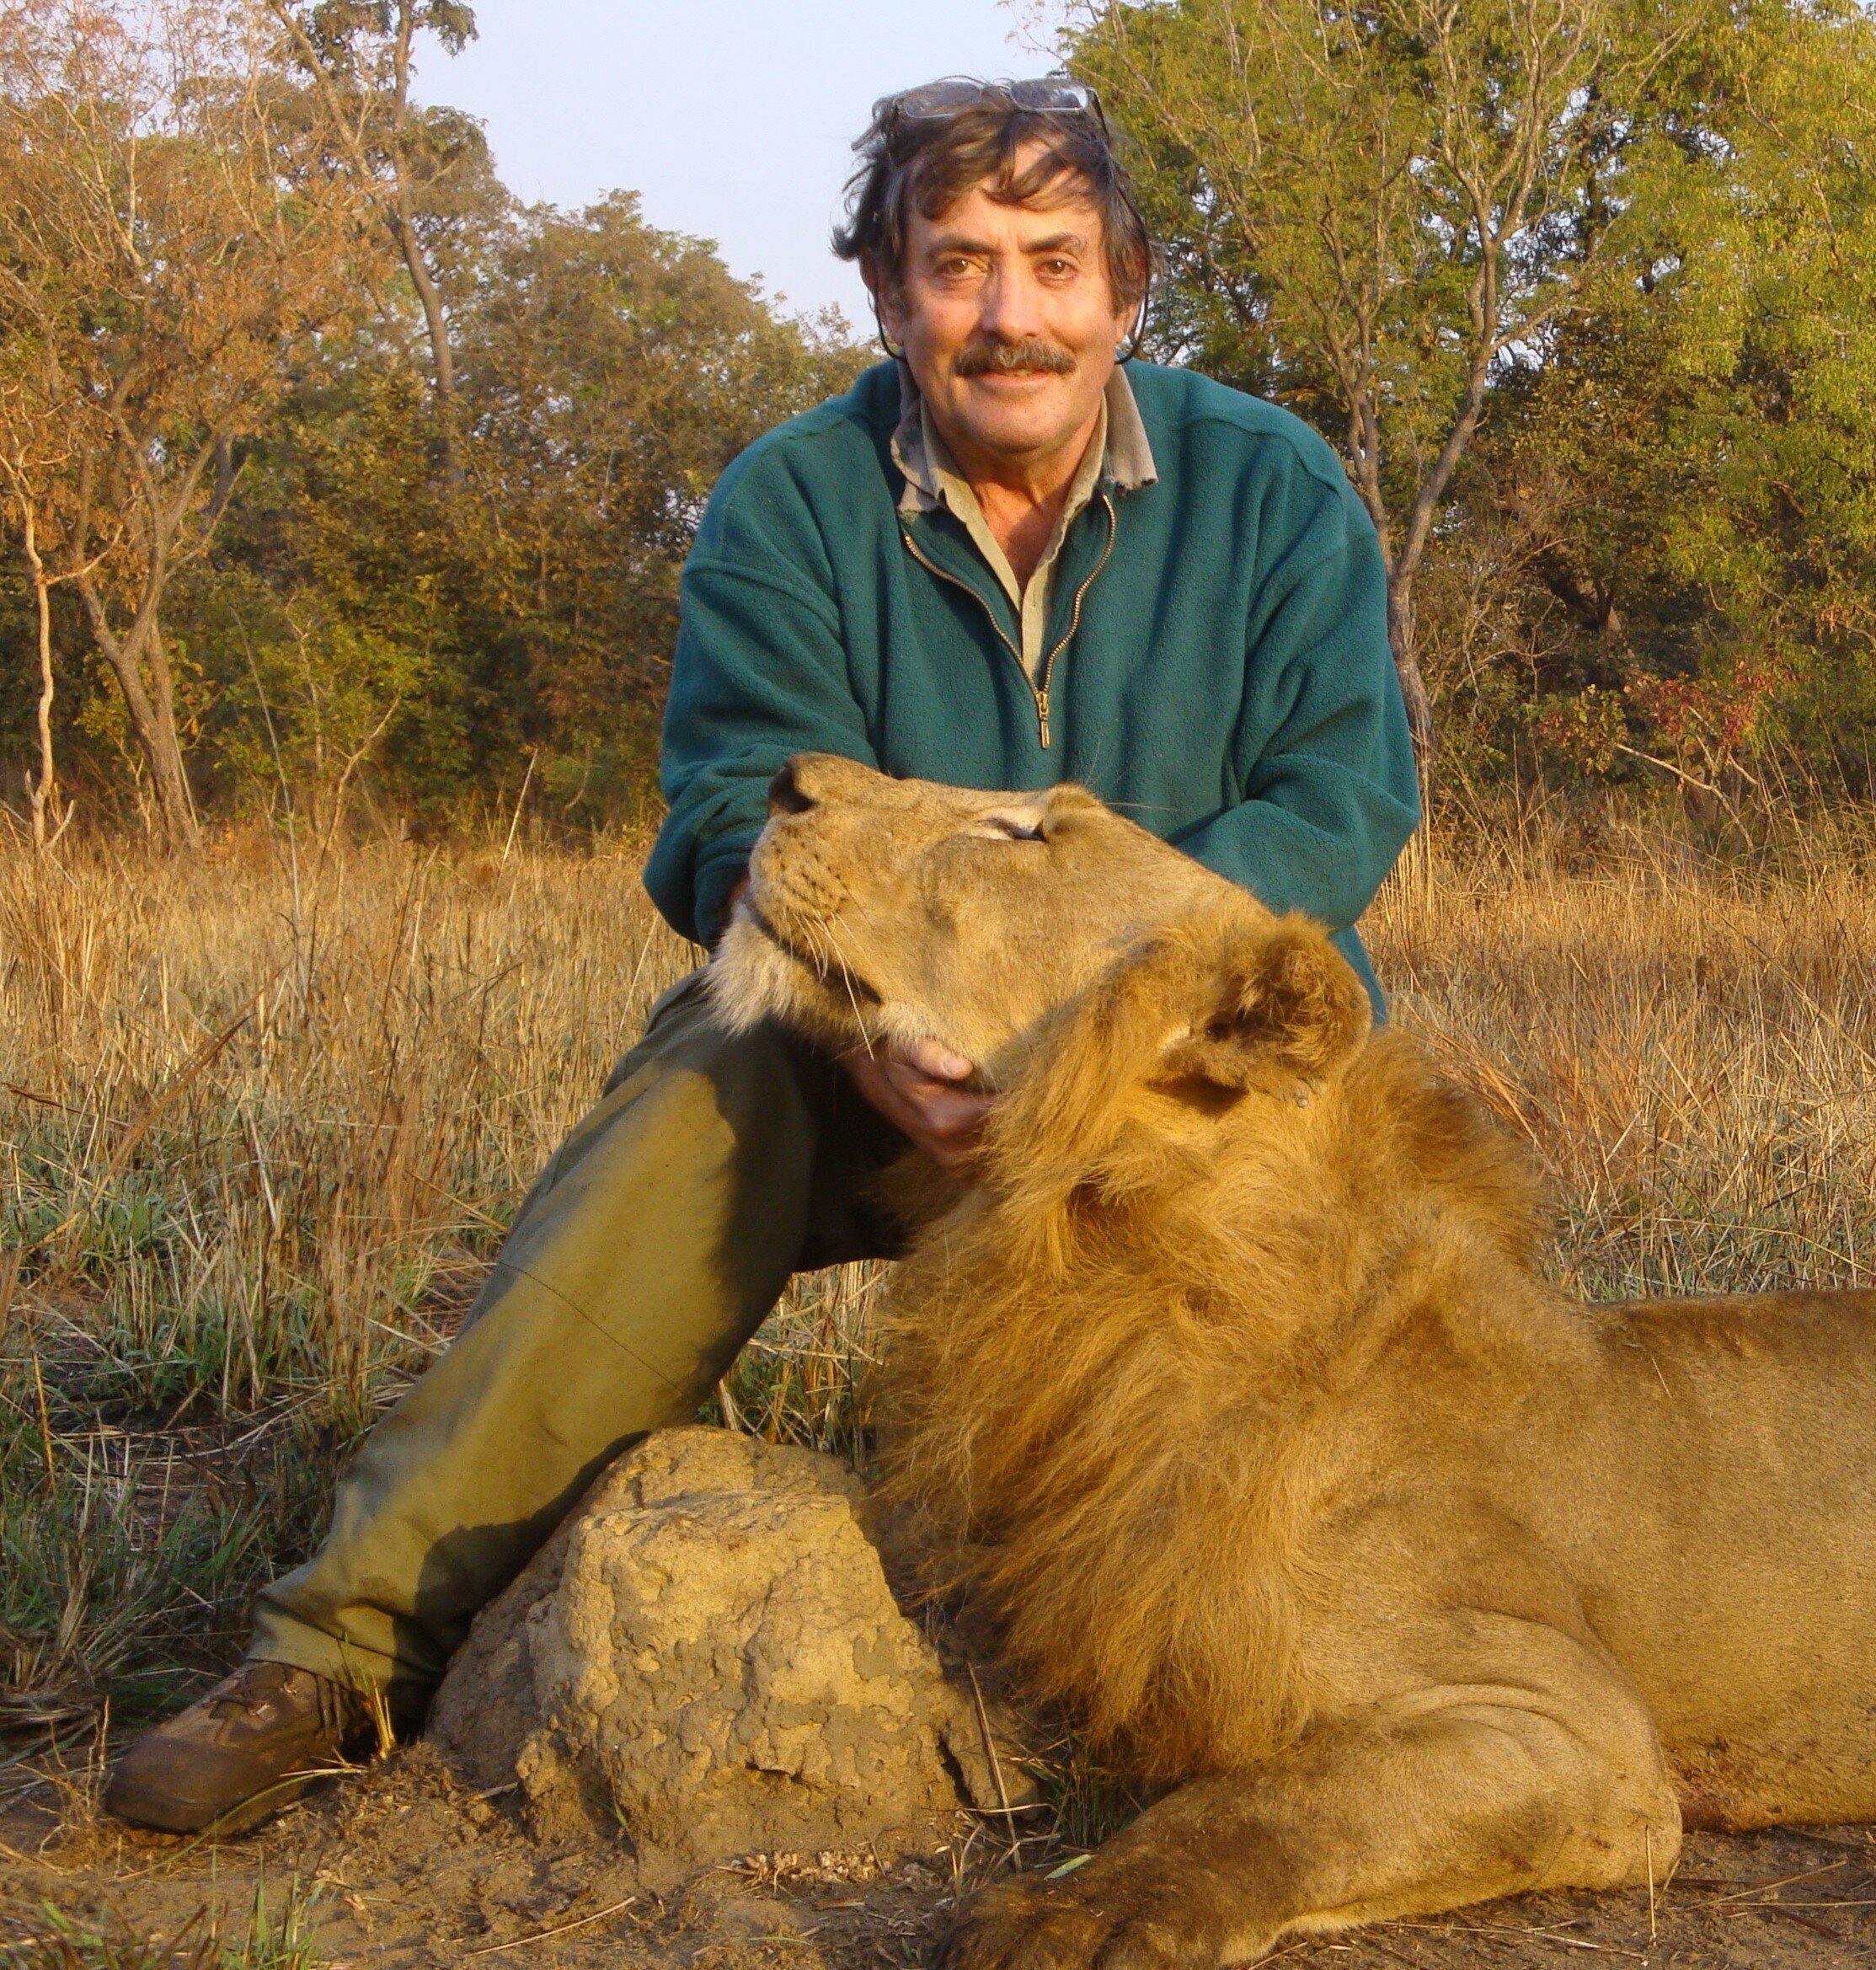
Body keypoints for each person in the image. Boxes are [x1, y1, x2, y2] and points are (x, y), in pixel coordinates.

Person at [103, 78, 1420, 1834]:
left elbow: (1338, 804)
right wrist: (875, 1036)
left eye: (1049, 263)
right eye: (956, 266)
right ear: (888, 296)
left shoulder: (1275, 491)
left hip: (1166, 1073)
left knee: (1393, 1241)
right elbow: (732, 809)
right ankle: (335, 1652)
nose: (1006, 314)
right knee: (698, 1106)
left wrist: (1086, 1031)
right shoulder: (791, 500)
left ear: (1126, 290)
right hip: (872, 1060)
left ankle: (1393, 1643)